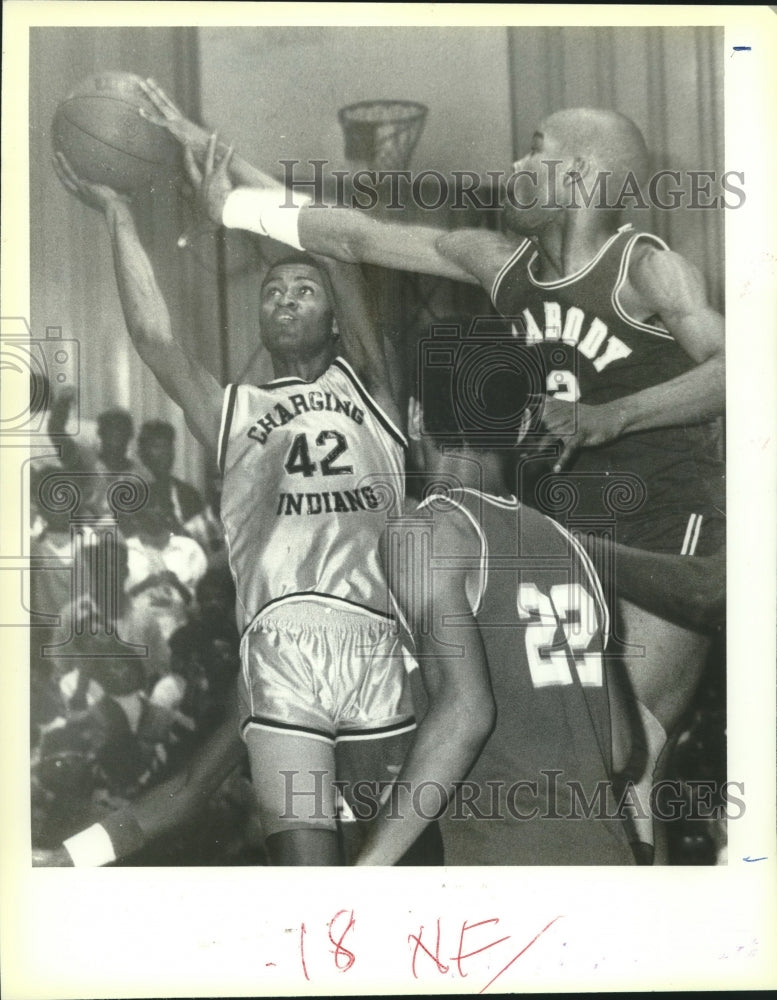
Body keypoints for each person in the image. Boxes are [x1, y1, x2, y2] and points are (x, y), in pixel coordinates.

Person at [142, 89, 723, 860]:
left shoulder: (645, 269)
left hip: (661, 526)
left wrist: (616, 415)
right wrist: (234, 201)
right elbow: (356, 236)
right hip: (560, 534)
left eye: (536, 148)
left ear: (581, 173)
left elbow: (741, 369)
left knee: (624, 755)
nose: (515, 163)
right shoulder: (498, 265)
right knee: (536, 743)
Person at [52, 144, 431, 867]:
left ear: (335, 320)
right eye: (272, 294)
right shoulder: (233, 410)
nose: (284, 300)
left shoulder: (374, 389)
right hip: (277, 649)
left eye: (302, 292)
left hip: (376, 640)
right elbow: (156, 340)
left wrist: (241, 197)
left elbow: (342, 255)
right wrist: (118, 215)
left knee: (403, 873)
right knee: (306, 882)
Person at [356, 326, 636, 865]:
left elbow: (465, 714)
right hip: (609, 866)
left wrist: (365, 870)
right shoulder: (572, 546)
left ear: (416, 416)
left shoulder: (426, 530)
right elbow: (621, 747)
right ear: (526, 420)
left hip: (509, 872)